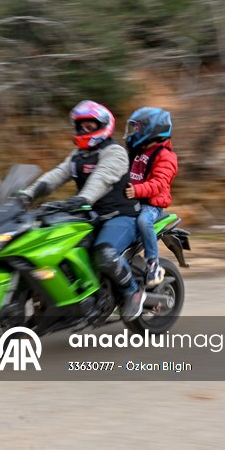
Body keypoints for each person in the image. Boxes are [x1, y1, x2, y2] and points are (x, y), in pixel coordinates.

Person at [17, 100, 146, 320]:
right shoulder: (78, 155)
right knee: (53, 242)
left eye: (90, 126)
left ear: (103, 126)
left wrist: (82, 199)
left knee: (104, 253)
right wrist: (27, 194)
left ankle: (132, 291)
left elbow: (101, 178)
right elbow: (55, 175)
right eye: (81, 126)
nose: (85, 130)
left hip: (119, 216)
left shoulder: (114, 152)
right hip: (89, 214)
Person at [123, 107, 178, 289]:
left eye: (138, 128)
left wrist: (136, 191)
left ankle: (153, 263)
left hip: (151, 204)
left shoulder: (165, 156)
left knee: (143, 222)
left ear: (152, 130)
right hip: (133, 199)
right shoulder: (138, 152)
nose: (134, 132)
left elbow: (159, 184)